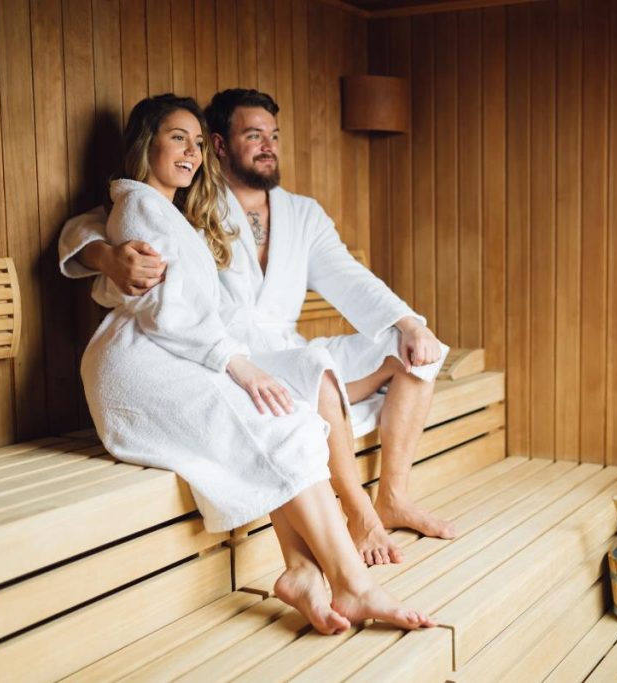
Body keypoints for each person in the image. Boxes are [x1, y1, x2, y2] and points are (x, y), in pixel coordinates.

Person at [82, 93, 433, 634]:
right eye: (181, 138)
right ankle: (354, 578)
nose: (191, 152)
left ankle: (307, 569)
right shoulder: (161, 205)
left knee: (295, 413)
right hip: (160, 364)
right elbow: (100, 240)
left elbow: (348, 278)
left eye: (195, 142)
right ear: (147, 142)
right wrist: (103, 254)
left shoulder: (198, 208)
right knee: (286, 413)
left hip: (190, 355)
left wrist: (408, 321)